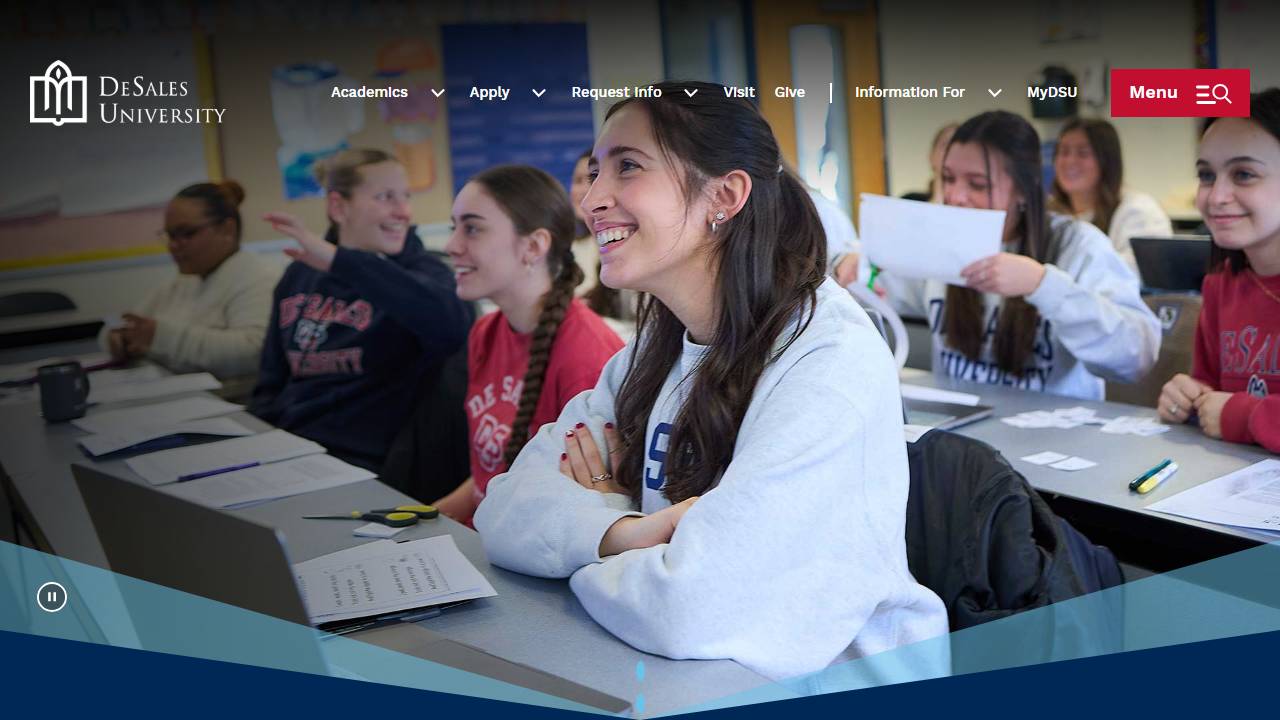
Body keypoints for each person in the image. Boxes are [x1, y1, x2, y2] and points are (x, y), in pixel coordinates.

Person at [474, 81, 948, 680]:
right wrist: (624, 532)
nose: (592, 200)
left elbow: (692, 607)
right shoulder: (654, 348)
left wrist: (579, 540)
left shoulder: (829, 361)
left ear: (724, 195)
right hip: (674, 674)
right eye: (594, 173)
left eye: (627, 167)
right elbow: (502, 512)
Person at [879, 111, 1160, 400]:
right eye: (948, 179)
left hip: (1054, 423)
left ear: (1024, 190)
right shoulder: (938, 240)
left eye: (977, 184)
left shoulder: (1079, 245)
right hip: (962, 421)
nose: (956, 196)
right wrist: (862, 269)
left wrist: (1041, 284)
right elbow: (880, 287)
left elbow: (1136, 356)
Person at [251, 149, 471, 471]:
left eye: (405, 197)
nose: (403, 212)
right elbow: (270, 382)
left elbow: (452, 327)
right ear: (338, 207)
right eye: (385, 197)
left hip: (368, 464)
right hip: (289, 449)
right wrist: (261, 445)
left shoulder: (425, 274)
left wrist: (341, 262)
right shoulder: (299, 275)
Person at [432, 165, 624, 526]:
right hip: (489, 532)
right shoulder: (486, 332)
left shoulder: (587, 356)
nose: (451, 246)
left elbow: (581, 513)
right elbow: (492, 474)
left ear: (533, 246)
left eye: (472, 228)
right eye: (453, 227)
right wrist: (430, 516)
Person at [1158, 89, 1280, 453]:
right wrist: (1188, 398)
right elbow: (1211, 397)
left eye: (1243, 174)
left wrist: (1242, 415)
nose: (1216, 197)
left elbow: (1229, 412)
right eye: (1206, 175)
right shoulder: (1220, 286)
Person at [103, 181, 280, 393]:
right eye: (170, 235)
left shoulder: (258, 277)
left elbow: (253, 351)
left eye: (186, 233)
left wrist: (158, 338)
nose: (173, 245)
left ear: (227, 229)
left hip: (230, 404)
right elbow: (120, 326)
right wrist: (118, 339)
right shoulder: (185, 281)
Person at [1051, 118, 1173, 274]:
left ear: (1107, 161)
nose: (1070, 161)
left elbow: (1136, 275)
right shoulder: (1049, 213)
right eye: (1063, 152)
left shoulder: (1139, 211)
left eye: (1083, 153)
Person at [569, 147, 632, 322]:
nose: (585, 192)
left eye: (592, 178)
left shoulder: (638, 251)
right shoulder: (567, 251)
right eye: (578, 180)